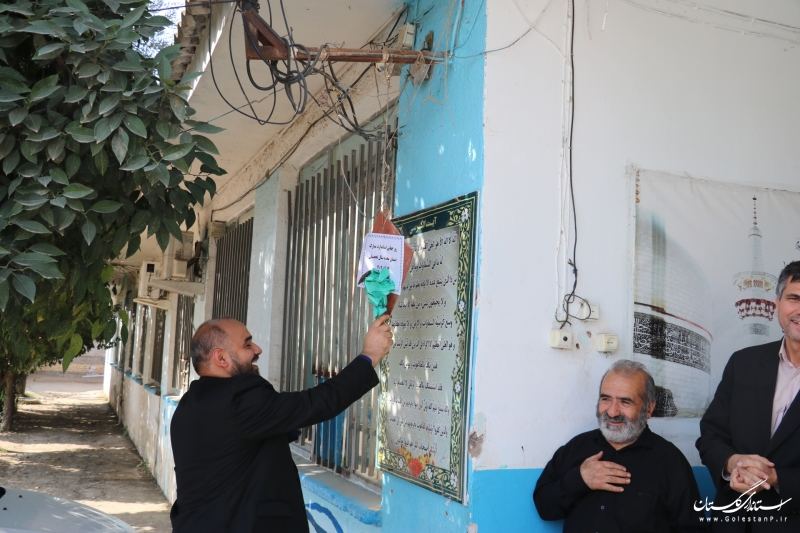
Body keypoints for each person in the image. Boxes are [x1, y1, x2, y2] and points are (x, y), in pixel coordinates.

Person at [169, 314, 393, 533]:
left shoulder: (192, 403)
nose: (258, 349)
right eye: (247, 345)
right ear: (222, 358)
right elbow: (315, 403)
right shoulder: (238, 399)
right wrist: (369, 355)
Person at [534, 359, 706, 532]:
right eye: (606, 399)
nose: (612, 412)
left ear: (649, 408)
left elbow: (693, 528)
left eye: (625, 402)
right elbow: (544, 508)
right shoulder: (577, 447)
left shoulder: (670, 461)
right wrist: (579, 479)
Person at [696, 260, 800, 531]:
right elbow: (710, 436)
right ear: (777, 303)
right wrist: (732, 464)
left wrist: (776, 478)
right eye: (794, 298)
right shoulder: (743, 364)